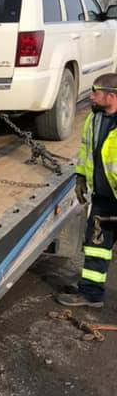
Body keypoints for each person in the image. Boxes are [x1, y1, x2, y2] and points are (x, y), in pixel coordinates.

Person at [57, 72, 117, 308]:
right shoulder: (94, 119)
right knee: (96, 247)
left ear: (112, 96)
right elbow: (85, 152)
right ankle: (91, 294)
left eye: (95, 92)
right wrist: (81, 177)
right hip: (103, 199)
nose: (90, 96)